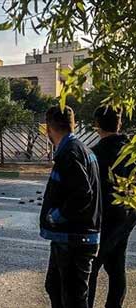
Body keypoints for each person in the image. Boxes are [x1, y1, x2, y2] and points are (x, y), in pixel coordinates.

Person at [40, 105, 101, 308]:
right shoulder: (79, 149)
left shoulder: (70, 154)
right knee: (54, 287)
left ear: (49, 128)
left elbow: (83, 194)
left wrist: (56, 216)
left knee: (73, 299)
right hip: (70, 238)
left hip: (75, 239)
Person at [88, 106, 136, 308]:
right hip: (127, 217)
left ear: (97, 125)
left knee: (90, 268)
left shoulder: (95, 155)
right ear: (120, 123)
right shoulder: (131, 152)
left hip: (103, 220)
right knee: (117, 268)